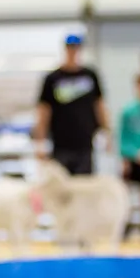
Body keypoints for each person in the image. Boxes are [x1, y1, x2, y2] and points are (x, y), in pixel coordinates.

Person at [35, 34, 106, 175]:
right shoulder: (53, 79)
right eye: (70, 48)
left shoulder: (90, 76)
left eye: (76, 48)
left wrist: (105, 130)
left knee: (84, 185)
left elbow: (99, 105)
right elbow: (44, 111)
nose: (73, 51)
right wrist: (40, 142)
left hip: (85, 142)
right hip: (61, 143)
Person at [119, 72, 140, 234]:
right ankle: (126, 222)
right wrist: (128, 156)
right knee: (127, 193)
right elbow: (123, 137)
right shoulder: (128, 111)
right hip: (132, 157)